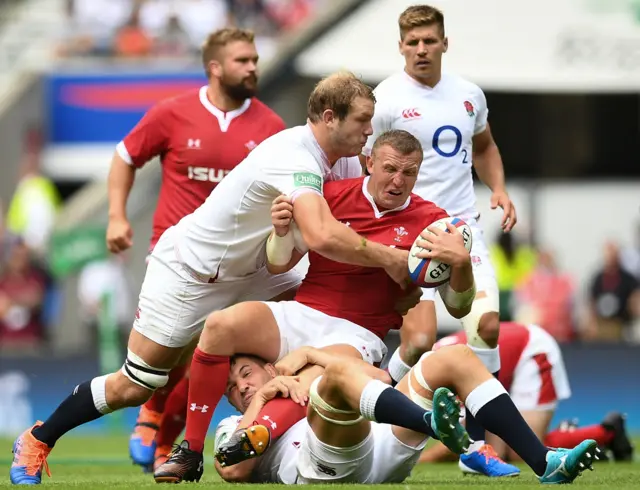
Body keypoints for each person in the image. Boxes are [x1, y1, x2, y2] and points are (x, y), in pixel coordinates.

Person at [9, 71, 411, 486]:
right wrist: (392, 258)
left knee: (336, 313)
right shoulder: (296, 154)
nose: (369, 129)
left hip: (259, 270)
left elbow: (351, 224)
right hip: (192, 272)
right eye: (363, 120)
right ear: (330, 117)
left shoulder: (344, 159)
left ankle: (206, 443)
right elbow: (323, 235)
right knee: (136, 385)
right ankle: (39, 438)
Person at [154, 129, 474, 482]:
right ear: (369, 163)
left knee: (309, 381)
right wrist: (279, 231)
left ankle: (258, 435)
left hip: (358, 332)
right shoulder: (330, 196)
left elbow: (458, 307)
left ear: (418, 173)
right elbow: (279, 263)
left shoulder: (433, 222)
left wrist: (462, 265)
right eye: (389, 169)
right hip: (304, 310)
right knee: (218, 325)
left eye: (409, 173)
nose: (398, 180)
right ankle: (192, 450)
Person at [105, 26, 287, 470]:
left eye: (254, 60)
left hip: (241, 263)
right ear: (215, 67)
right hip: (178, 255)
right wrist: (116, 214)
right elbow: (126, 157)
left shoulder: (270, 127)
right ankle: (154, 413)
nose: (252, 67)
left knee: (213, 357)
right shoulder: (172, 113)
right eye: (242, 60)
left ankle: (165, 433)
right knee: (173, 355)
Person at [362, 4, 519, 476]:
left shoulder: (469, 95)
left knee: (487, 327)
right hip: (411, 237)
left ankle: (482, 448)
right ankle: (371, 411)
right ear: (401, 47)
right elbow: (365, 161)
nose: (422, 49)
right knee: (418, 342)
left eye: (430, 41)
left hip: (462, 232)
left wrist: (500, 188)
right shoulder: (386, 98)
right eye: (413, 42)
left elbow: (485, 146)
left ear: (444, 43)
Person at [213, 344, 599, 485]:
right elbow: (232, 469)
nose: (241, 386)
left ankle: (545, 461)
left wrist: (312, 356)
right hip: (325, 468)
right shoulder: (234, 425)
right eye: (232, 388)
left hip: (383, 445)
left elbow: (379, 378)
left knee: (454, 357)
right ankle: (435, 425)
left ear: (269, 365)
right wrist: (263, 399)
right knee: (334, 379)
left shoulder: (303, 375)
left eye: (246, 374)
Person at [420, 322, 634, 464]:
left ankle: (608, 432)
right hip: (506, 363)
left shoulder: (442, 373)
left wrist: (423, 459)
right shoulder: (431, 364)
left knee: (521, 452)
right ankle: (573, 437)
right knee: (507, 450)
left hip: (531, 350)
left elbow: (462, 438)